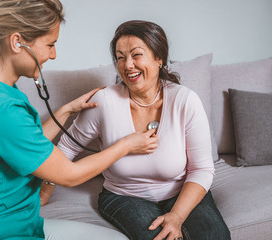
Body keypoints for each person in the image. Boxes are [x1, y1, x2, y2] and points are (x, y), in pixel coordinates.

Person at [0, 2, 159, 239]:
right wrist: (127, 145)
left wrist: (66, 111)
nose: (53, 55)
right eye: (50, 44)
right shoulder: (1, 110)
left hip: (10, 226)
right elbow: (70, 174)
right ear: (17, 42)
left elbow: (24, 147)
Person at [42, 20, 231, 240]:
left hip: (180, 191)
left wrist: (177, 216)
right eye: (120, 57)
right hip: (124, 196)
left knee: (215, 236)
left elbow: (202, 169)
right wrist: (43, 194)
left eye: (136, 55)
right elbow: (66, 148)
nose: (128, 65)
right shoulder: (104, 101)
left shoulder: (185, 101)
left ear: (159, 58)